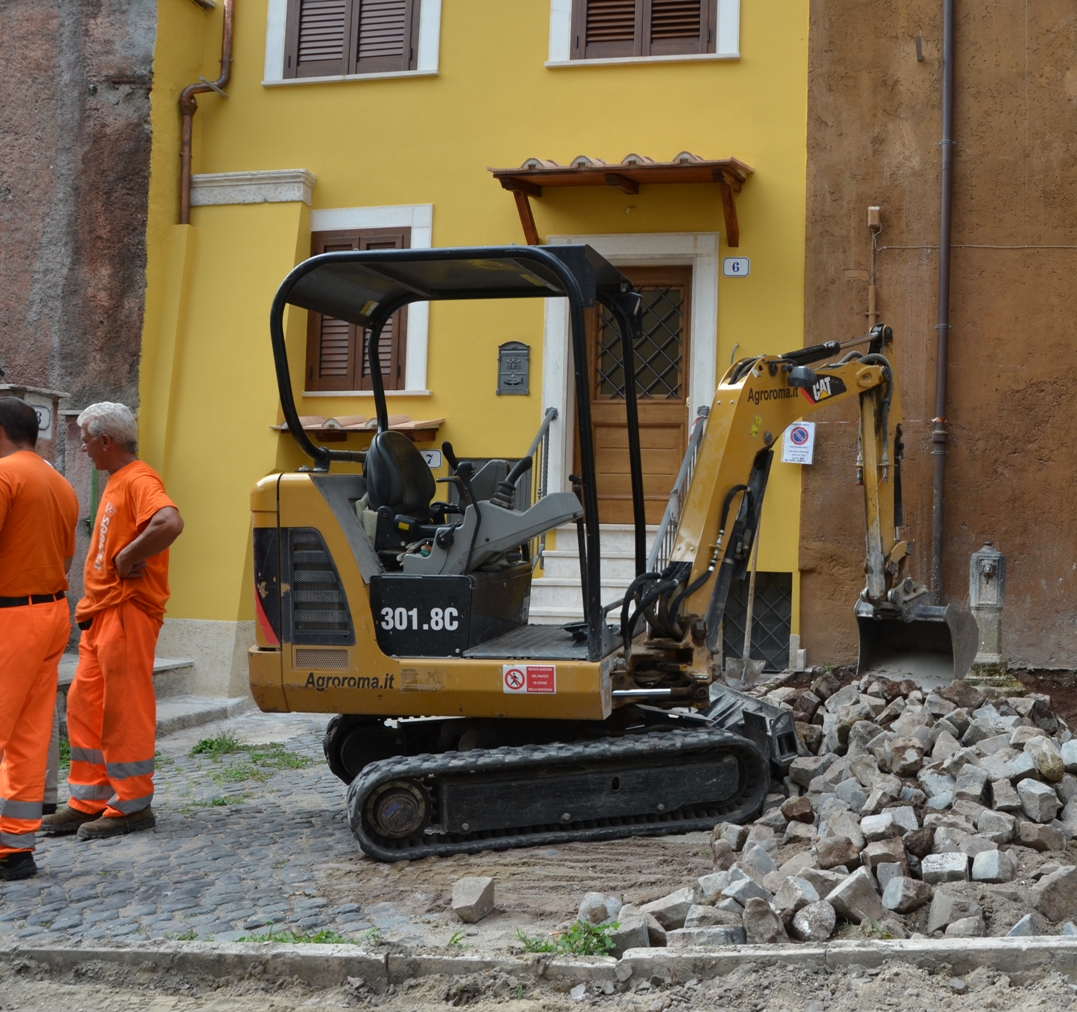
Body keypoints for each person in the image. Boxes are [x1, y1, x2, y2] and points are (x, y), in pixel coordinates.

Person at [41, 402, 183, 841]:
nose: (82, 449)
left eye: (85, 440)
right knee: (86, 708)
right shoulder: (119, 480)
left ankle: (131, 806)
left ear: (106, 441)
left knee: (123, 710)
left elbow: (170, 521)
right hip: (102, 615)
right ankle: (89, 800)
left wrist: (127, 556)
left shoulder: (139, 478)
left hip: (127, 611)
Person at [0, 397, 79, 880]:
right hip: (50, 611)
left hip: (12, 616)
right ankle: (15, 849)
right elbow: (67, 558)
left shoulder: (6, 475)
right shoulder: (59, 483)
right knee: (28, 734)